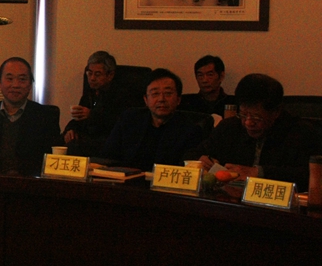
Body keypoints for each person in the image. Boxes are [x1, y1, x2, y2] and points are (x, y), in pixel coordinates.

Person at [191, 74, 319, 191]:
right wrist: (200, 161)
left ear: (276, 112)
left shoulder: (302, 133)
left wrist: (259, 172)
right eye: (243, 114)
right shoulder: (229, 127)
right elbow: (191, 154)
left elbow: (310, 176)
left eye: (256, 117)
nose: (248, 122)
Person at [0, 57, 61, 176]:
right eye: (9, 79)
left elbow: (54, 158)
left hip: (30, 183)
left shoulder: (46, 116)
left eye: (22, 79)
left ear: (30, 84)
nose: (15, 85)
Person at [100, 68, 203, 171]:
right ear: (146, 100)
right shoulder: (129, 119)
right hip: (127, 179)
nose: (161, 99)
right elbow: (108, 156)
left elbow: (186, 168)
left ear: (178, 99)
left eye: (168, 93)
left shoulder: (190, 130)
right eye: (155, 94)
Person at [62, 51, 139, 157]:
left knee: (74, 147)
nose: (92, 78)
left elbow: (120, 124)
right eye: (90, 73)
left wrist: (92, 115)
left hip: (107, 142)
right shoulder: (90, 94)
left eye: (97, 74)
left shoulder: (122, 95)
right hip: (88, 139)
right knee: (58, 140)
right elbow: (78, 119)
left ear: (110, 75)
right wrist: (71, 129)